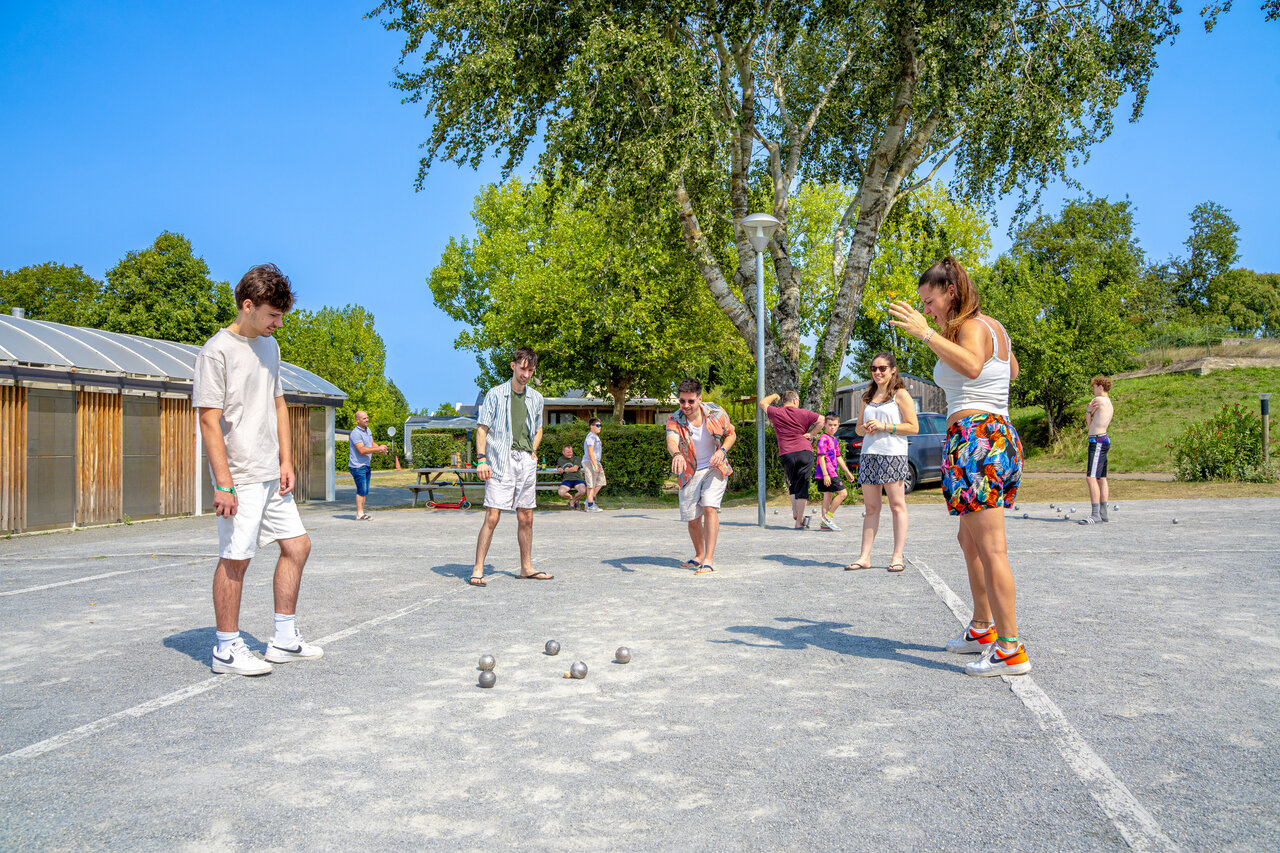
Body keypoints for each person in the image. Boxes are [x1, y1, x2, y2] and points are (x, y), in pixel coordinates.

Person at [888, 256, 1031, 677]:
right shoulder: (989, 327)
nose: (926, 310)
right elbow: (1011, 371)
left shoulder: (969, 327)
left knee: (991, 548)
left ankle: (1010, 648)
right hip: (988, 434)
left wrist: (926, 333)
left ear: (950, 293)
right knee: (970, 544)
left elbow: (970, 365)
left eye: (929, 301)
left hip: (978, 438)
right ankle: (983, 628)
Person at [194, 263, 321, 677]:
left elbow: (278, 403)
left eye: (280, 315)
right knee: (236, 558)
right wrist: (224, 484)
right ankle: (226, 650)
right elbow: (209, 420)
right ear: (247, 306)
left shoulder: (271, 348)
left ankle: (283, 639)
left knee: (297, 546)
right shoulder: (217, 351)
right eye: (272, 315)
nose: (277, 324)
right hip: (241, 475)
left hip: (271, 471)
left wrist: (286, 459)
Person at [470, 347, 552, 586]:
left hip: (525, 460)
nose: (526, 374)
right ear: (513, 365)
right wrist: (481, 459)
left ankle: (526, 567)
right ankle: (478, 568)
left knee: (526, 516)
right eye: (523, 368)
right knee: (493, 515)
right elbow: (482, 428)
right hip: (499, 460)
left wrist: (534, 450)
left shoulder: (536, 398)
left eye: (531, 370)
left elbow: (538, 428)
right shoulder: (495, 394)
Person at [844, 352, 919, 573]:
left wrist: (885, 426)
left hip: (893, 454)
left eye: (882, 368)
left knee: (897, 506)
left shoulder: (900, 395)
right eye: (874, 368)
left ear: (893, 370)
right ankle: (864, 556)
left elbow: (913, 427)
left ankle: (897, 556)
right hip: (869, 454)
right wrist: (865, 428)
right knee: (870, 508)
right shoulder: (867, 396)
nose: (877, 372)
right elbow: (858, 428)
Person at [666, 378, 736, 574]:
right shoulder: (675, 419)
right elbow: (671, 440)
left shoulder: (716, 412)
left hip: (715, 467)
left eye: (690, 401)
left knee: (709, 507)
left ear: (699, 399)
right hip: (689, 471)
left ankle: (709, 560)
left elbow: (731, 434)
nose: (686, 406)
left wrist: (722, 451)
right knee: (693, 519)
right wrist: (677, 454)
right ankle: (699, 556)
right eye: (682, 401)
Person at [758, 391, 822, 528]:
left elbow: (762, 403)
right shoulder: (804, 413)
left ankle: (795, 513)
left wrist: (774, 396)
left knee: (793, 483)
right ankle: (799, 521)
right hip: (804, 451)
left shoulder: (776, 412)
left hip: (786, 453)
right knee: (802, 484)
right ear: (795, 401)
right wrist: (811, 433)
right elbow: (822, 420)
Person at [1079, 376, 1114, 525]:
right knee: (1101, 478)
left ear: (1100, 387)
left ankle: (1095, 514)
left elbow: (1089, 421)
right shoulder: (1109, 402)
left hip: (1098, 441)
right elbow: (1091, 425)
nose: (1093, 390)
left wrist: (1088, 409)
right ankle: (1103, 513)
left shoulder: (1099, 401)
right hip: (1101, 439)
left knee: (1091, 477)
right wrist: (1089, 413)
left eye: (1094, 387)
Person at [815, 412, 855, 530]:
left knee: (828, 495)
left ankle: (824, 524)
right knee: (843, 493)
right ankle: (828, 516)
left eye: (835, 425)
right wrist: (826, 474)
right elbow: (821, 457)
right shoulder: (823, 439)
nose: (832, 427)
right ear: (825, 425)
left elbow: (838, 457)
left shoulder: (834, 440)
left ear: (838, 425)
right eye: (830, 425)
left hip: (832, 471)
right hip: (827, 472)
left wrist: (847, 472)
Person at [348, 409, 388, 520]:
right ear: (357, 420)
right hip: (357, 466)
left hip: (365, 464)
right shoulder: (355, 433)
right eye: (364, 418)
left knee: (365, 490)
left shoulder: (367, 430)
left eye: (367, 417)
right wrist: (377, 449)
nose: (367, 420)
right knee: (361, 490)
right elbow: (361, 450)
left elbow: (371, 443)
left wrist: (380, 449)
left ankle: (362, 512)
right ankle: (359, 514)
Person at [583, 417, 607, 512]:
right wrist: (594, 465)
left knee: (601, 482)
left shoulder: (595, 437)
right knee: (591, 484)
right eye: (597, 425)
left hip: (596, 462)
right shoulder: (590, 437)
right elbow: (590, 452)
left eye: (600, 425)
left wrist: (596, 464)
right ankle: (590, 505)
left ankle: (588, 500)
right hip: (590, 462)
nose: (599, 427)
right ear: (591, 426)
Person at [555, 444, 586, 510]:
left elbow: (575, 469)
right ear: (563, 452)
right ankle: (574, 500)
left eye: (571, 452)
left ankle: (572, 502)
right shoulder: (561, 459)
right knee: (561, 492)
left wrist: (564, 470)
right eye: (568, 452)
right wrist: (559, 469)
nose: (570, 453)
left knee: (582, 491)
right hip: (567, 480)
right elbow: (559, 467)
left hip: (577, 479)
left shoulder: (577, 458)